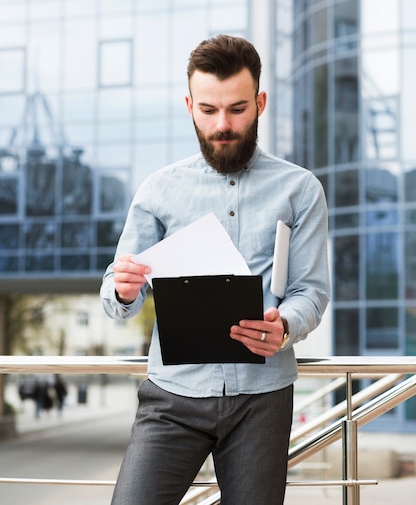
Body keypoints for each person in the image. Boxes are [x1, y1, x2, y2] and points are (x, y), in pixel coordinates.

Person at [100, 34, 330, 505]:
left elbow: (311, 291)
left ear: (260, 102)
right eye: (208, 110)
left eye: (238, 109)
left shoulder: (301, 189)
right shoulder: (158, 190)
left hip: (262, 399)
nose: (223, 125)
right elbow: (118, 297)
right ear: (189, 105)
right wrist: (122, 291)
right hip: (171, 399)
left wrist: (285, 326)